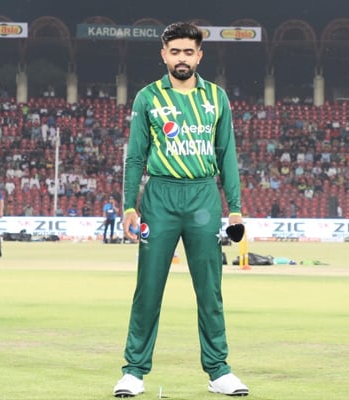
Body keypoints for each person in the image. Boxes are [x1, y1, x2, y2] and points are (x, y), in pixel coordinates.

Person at [113, 22, 248, 397]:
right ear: (164, 54)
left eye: (189, 52)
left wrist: (235, 208)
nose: (182, 58)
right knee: (149, 287)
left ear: (199, 55)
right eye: (175, 52)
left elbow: (228, 156)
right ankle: (134, 372)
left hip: (204, 198)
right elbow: (135, 156)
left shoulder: (217, 98)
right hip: (160, 199)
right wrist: (129, 206)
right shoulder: (148, 98)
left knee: (210, 288)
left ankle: (219, 370)